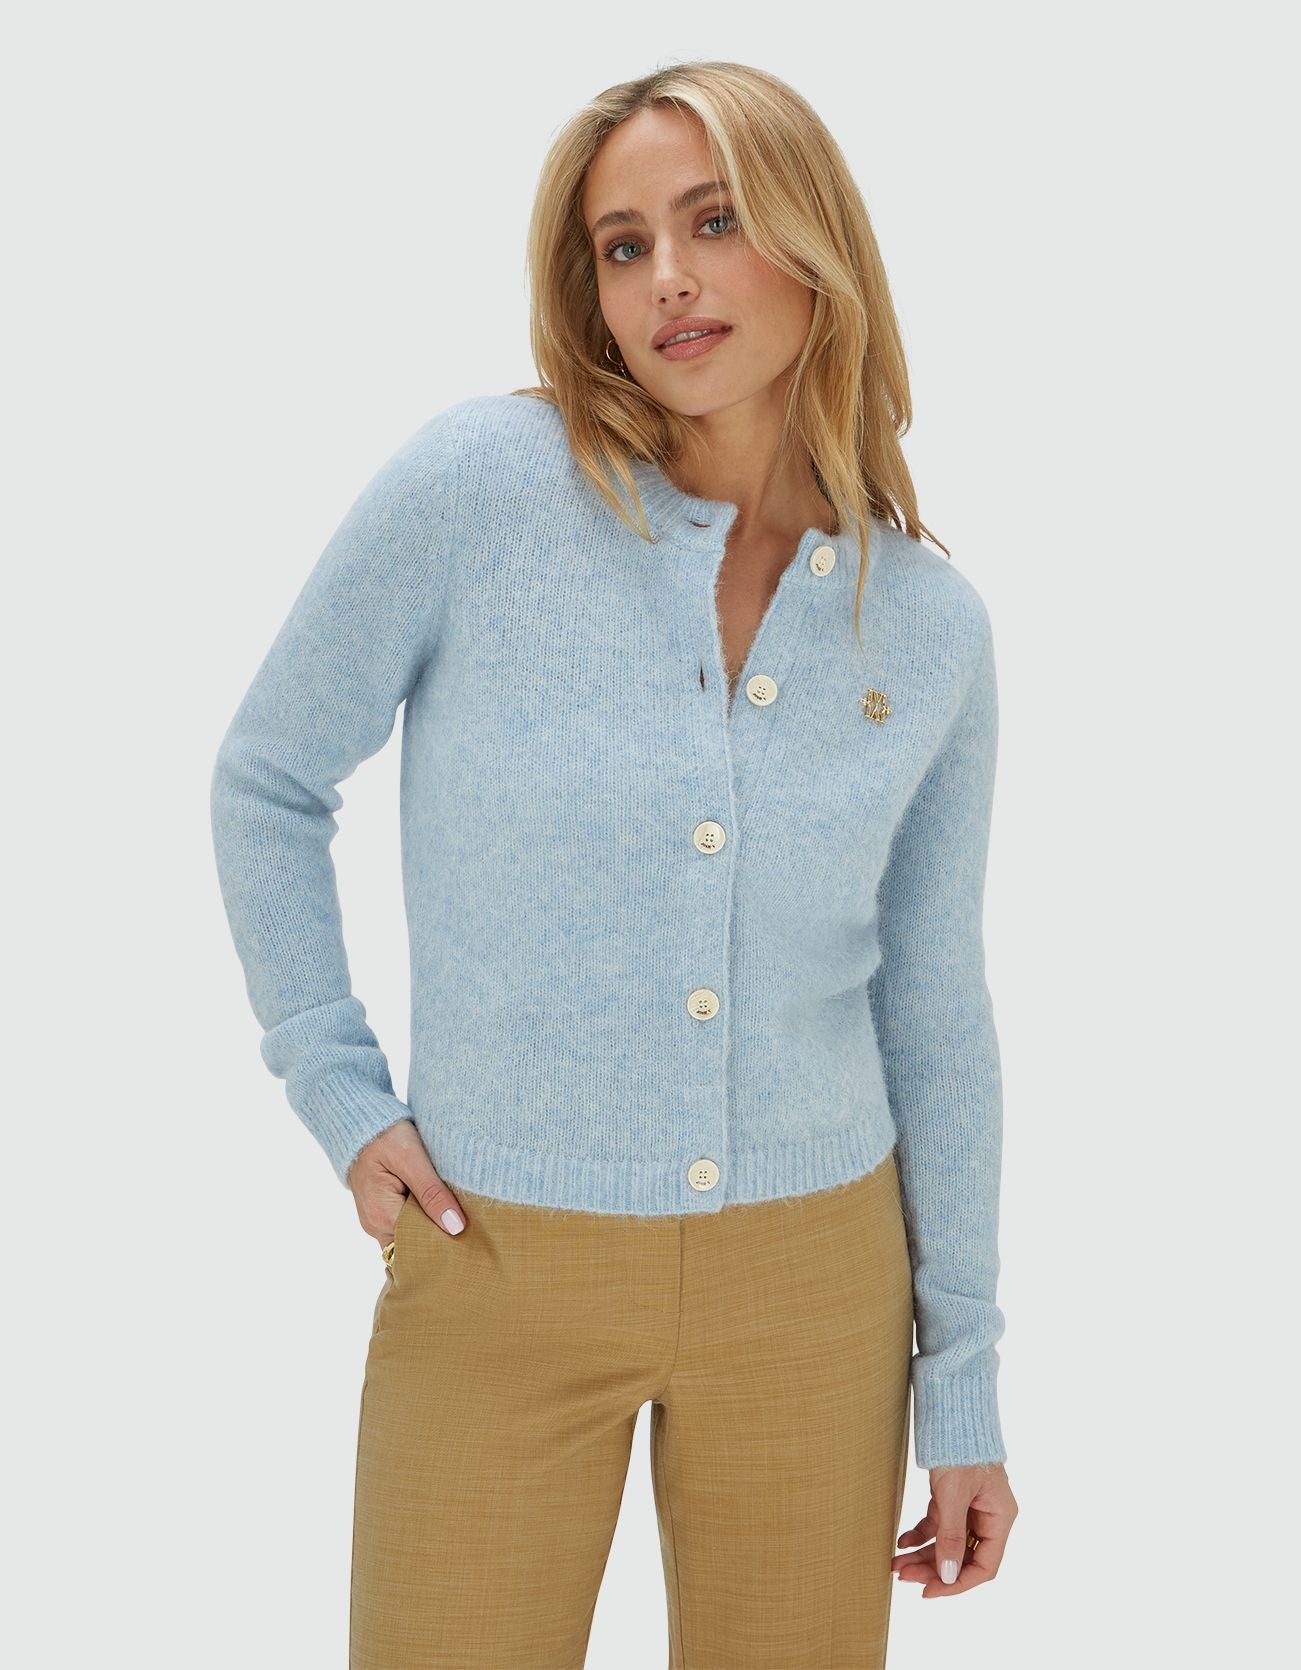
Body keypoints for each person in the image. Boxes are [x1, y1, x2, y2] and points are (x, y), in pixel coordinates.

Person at [210, 59, 1019, 1670]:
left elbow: (934, 1013)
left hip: (818, 1280)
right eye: (623, 245)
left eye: (713, 223)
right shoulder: (482, 491)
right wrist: (337, 1087)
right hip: (494, 1256)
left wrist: (965, 1383)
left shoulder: (925, 625)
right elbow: (268, 779)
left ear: (815, 239)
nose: (668, 282)